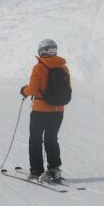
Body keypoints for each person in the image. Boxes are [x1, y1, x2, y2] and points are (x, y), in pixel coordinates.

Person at [20, 39, 71, 181]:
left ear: (41, 51)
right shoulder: (63, 67)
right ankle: (54, 169)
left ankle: (36, 171)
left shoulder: (38, 67)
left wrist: (24, 91)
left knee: (35, 139)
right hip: (58, 110)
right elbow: (69, 89)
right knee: (51, 139)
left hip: (40, 110)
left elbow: (33, 89)